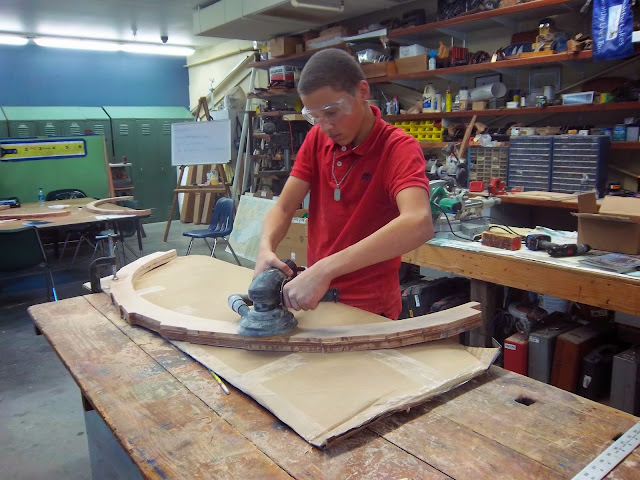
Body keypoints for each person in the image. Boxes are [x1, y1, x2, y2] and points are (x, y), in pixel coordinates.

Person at [254, 48, 433, 320]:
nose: (326, 126)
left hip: (371, 308)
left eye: (332, 112)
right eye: (315, 117)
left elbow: (418, 222)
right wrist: (265, 248)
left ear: (362, 92)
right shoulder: (317, 139)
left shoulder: (397, 148)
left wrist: (325, 269)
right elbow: (284, 207)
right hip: (317, 299)